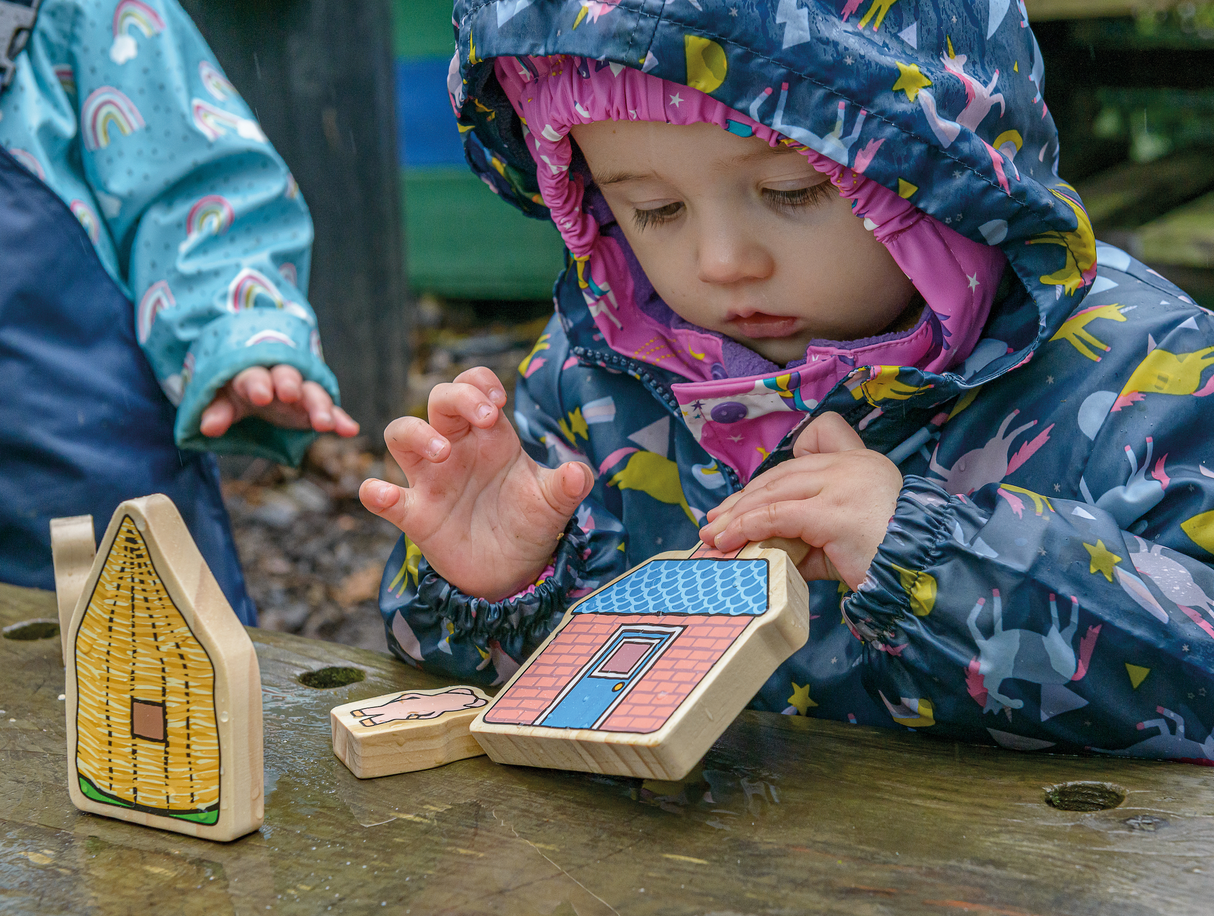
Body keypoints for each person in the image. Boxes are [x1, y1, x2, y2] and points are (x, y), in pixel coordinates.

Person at [362, 0, 1214, 760]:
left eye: (793, 189)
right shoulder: (598, 372)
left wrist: (935, 561)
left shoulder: (1142, 369)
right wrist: (498, 586)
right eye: (654, 209)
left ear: (946, 176)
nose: (722, 262)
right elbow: (514, 704)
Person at [0, 0, 357, 625]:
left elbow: (200, 196)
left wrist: (239, 333)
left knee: (164, 690)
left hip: (92, 512)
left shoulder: (84, 16)